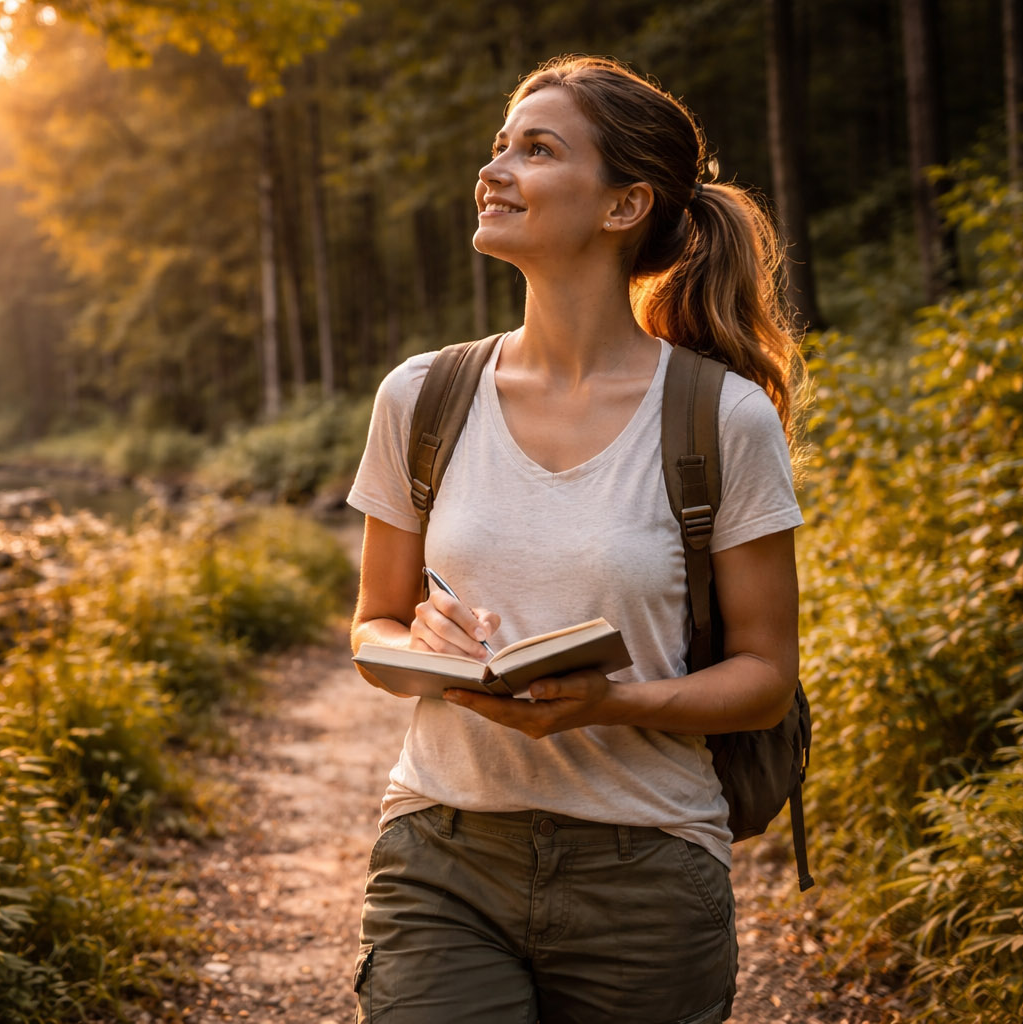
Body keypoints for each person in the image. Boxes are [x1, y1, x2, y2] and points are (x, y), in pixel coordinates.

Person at [346, 55, 805, 1024]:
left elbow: (764, 677)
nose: (496, 169)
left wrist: (609, 701)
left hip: (648, 867)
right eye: (500, 146)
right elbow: (371, 630)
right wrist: (429, 657)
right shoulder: (421, 396)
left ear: (624, 202)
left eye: (538, 149)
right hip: (444, 847)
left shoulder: (721, 417)